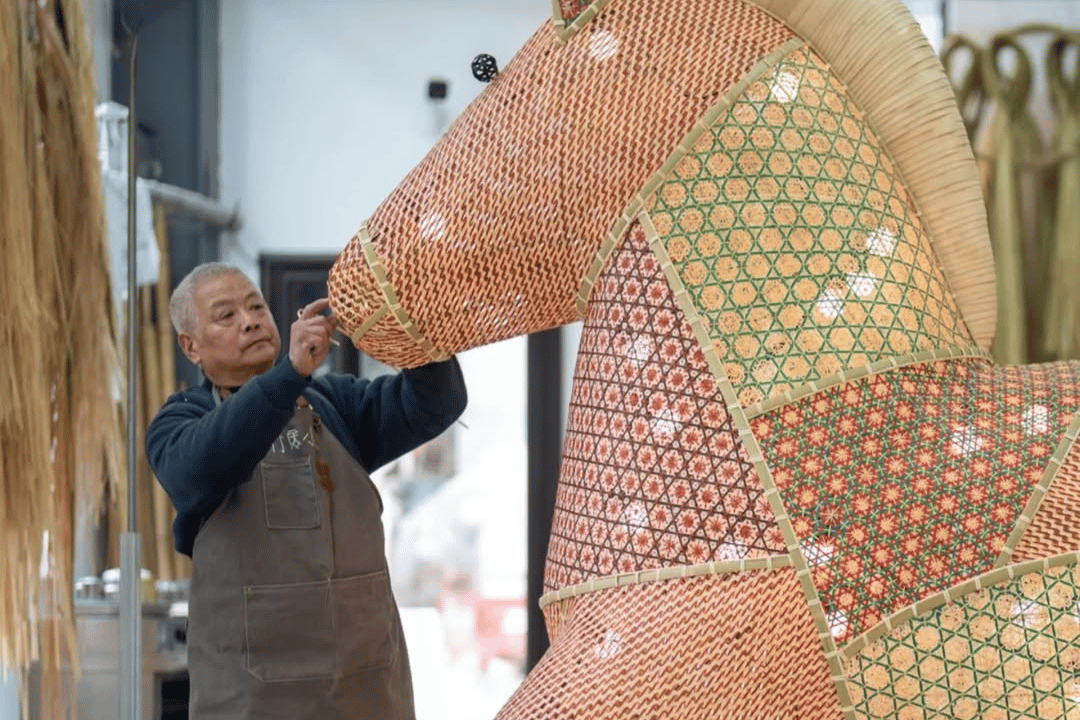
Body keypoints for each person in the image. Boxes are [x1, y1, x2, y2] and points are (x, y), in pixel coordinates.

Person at [145, 262, 467, 720]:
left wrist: (408, 325)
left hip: (365, 683)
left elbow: (437, 403)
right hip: (252, 697)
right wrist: (288, 375)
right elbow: (206, 462)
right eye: (226, 315)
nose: (250, 320)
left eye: (256, 306)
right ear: (190, 346)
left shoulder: (335, 403)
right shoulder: (180, 423)